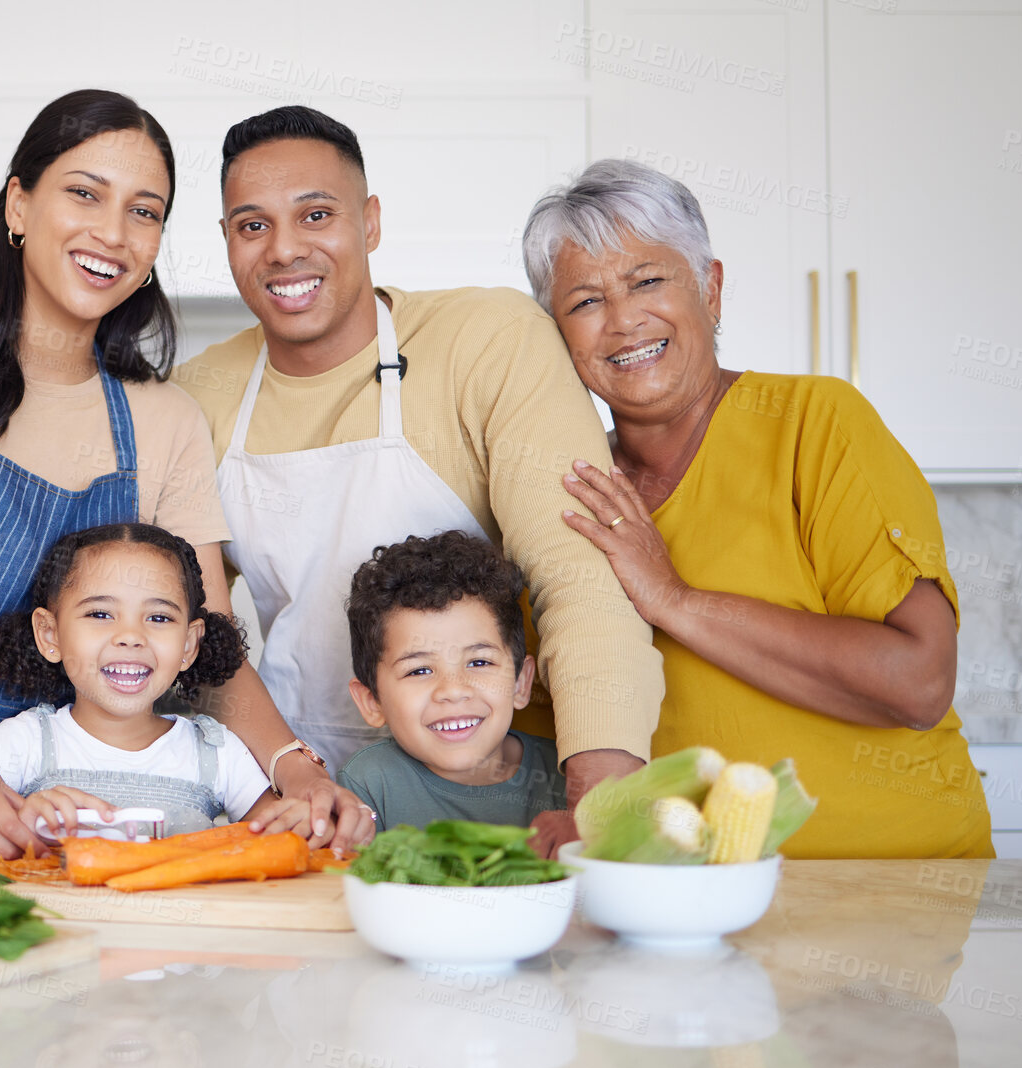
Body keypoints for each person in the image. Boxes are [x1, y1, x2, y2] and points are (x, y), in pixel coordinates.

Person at [0, 89, 342, 857]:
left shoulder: (163, 421)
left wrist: (295, 768)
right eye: (85, 193)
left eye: (144, 211)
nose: (113, 234)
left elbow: (210, 649)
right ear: (18, 205)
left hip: (68, 820)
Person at [172, 106, 663, 852]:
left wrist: (598, 812)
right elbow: (203, 634)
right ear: (227, 242)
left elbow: (581, 577)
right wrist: (290, 776)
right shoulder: (196, 397)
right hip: (298, 800)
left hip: (488, 801)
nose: (285, 249)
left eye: (316, 214)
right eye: (252, 225)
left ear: (369, 222)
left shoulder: (488, 342)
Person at [522, 158, 994, 858]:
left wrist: (674, 599)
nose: (623, 322)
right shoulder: (567, 492)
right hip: (686, 905)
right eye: (585, 302)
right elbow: (533, 718)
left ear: (710, 290)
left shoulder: (815, 423)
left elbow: (920, 680)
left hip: (893, 887)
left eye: (649, 280)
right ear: (554, 333)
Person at [0, 523, 305, 837]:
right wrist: (22, 821)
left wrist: (307, 820)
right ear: (50, 634)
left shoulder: (218, 754)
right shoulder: (20, 744)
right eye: (100, 614)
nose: (131, 636)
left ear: (189, 644)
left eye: (158, 617)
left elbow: (279, 837)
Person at [338, 531, 566, 832]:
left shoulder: (568, 776)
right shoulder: (369, 783)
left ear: (521, 683)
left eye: (479, 662)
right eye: (419, 670)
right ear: (372, 701)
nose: (453, 690)